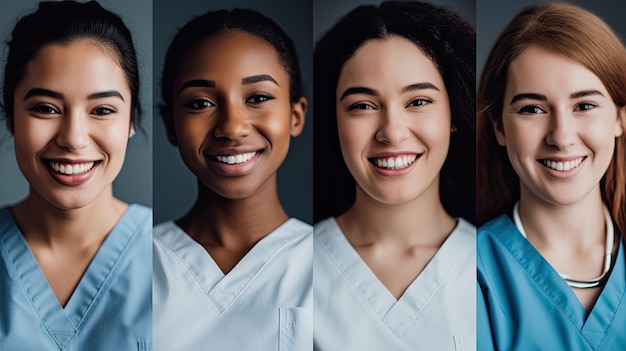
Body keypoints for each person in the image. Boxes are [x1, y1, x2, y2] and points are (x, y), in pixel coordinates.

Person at [313, 1, 476, 350]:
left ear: (454, 115)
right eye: (362, 106)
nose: (392, 132)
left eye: (418, 101)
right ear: (334, 122)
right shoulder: (295, 267)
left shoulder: (493, 266)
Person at [152, 8, 311, 350]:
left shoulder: (333, 262)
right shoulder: (134, 265)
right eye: (200, 103)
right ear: (171, 126)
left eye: (257, 98)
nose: (232, 128)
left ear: (295, 116)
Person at [0, 1, 152, 350]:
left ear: (131, 121)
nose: (73, 138)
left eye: (101, 110)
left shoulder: (170, 260)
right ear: (11, 117)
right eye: (45, 108)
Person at [476, 3, 626, 350]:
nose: (561, 137)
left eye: (584, 106)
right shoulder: (472, 274)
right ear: (499, 126)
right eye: (533, 109)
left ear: (620, 118)